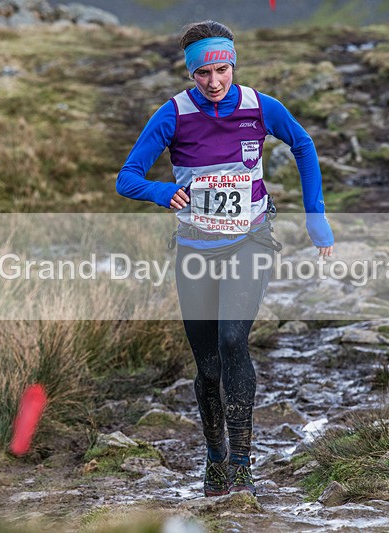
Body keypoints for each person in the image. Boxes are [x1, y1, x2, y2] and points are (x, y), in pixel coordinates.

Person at [116, 20, 334, 497]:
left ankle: (242, 461)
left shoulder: (260, 106)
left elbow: (303, 145)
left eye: (222, 70)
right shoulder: (173, 114)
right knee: (209, 366)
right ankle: (215, 458)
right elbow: (126, 177)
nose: (214, 82)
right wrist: (161, 192)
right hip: (195, 249)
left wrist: (315, 216)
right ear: (190, 73)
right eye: (203, 73)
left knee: (233, 339)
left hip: (250, 241)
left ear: (233, 64)